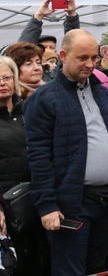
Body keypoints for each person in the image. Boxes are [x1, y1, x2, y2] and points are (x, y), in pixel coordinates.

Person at [23, 29, 108, 276]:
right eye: (82, 58)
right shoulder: (44, 99)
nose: (90, 64)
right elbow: (38, 156)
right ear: (63, 55)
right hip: (71, 205)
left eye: (94, 58)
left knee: (102, 270)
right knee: (70, 271)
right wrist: (47, 205)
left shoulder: (103, 94)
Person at [0, 56, 50, 276]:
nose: (2, 83)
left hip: (38, 201)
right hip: (7, 207)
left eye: (7, 77)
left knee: (42, 261)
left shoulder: (31, 110)